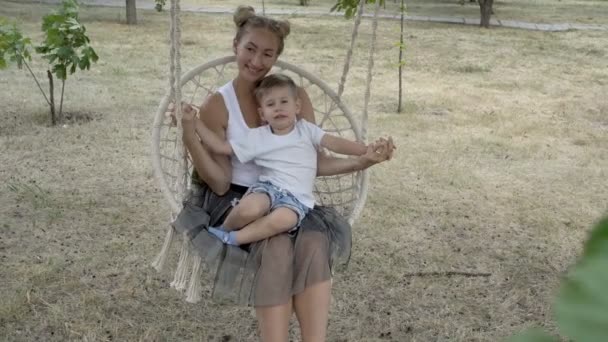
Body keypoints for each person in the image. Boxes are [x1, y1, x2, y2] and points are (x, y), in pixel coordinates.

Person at [177, 5, 395, 342]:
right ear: (236, 44)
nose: (256, 60)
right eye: (250, 48)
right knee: (277, 249)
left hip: (292, 196)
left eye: (268, 53)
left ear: (276, 57)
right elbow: (218, 180)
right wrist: (189, 133)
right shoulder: (218, 104)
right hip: (238, 200)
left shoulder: (292, 97)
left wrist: (362, 161)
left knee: (313, 242)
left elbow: (314, 162)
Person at [192, 73, 369, 246]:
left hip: (297, 198)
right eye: (271, 104)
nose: (278, 108)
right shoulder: (258, 137)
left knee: (284, 220)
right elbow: (221, 147)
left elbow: (334, 143)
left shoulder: (307, 130)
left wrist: (365, 150)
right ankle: (223, 229)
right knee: (250, 209)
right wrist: (195, 122)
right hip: (268, 188)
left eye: (284, 102)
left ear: (297, 107)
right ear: (263, 114)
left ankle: (235, 239)